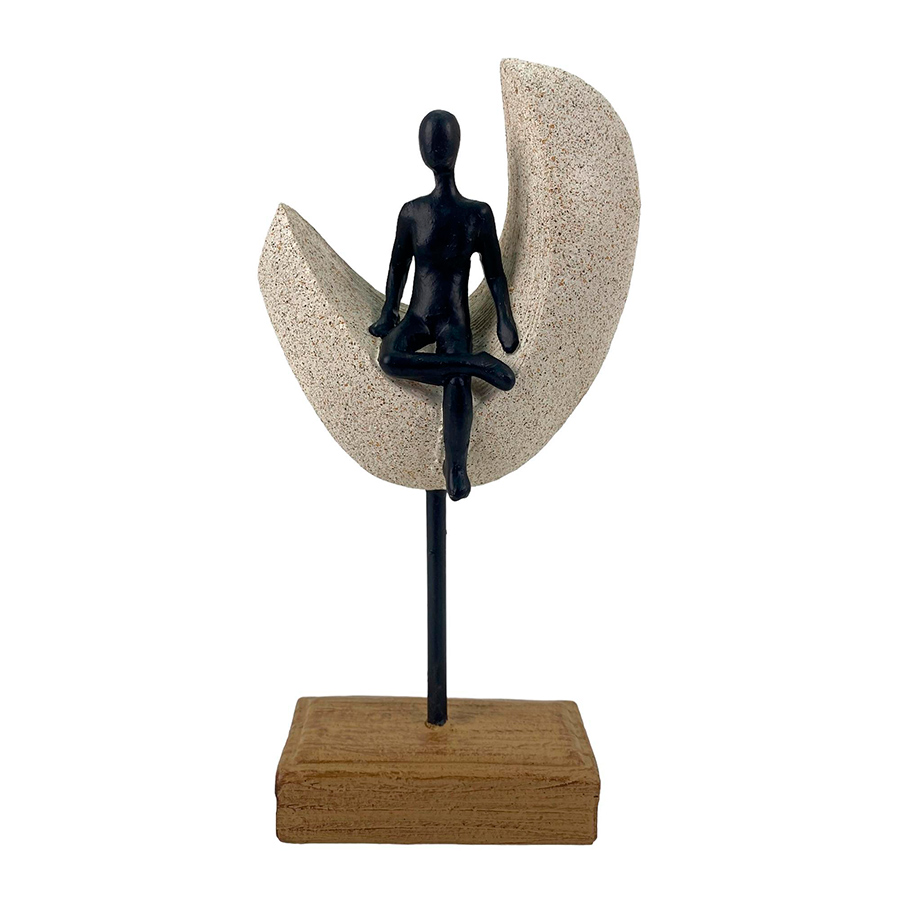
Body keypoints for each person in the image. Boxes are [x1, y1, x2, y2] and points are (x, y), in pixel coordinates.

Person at [369, 110, 519, 501]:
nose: (436, 150)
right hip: (419, 317)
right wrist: (388, 313)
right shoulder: (413, 212)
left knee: (455, 384)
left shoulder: (476, 214)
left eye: (440, 142)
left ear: (454, 148)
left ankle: (456, 464)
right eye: (431, 143)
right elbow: (398, 265)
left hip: (454, 318)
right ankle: (476, 364)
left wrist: (504, 319)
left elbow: (495, 272)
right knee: (389, 358)